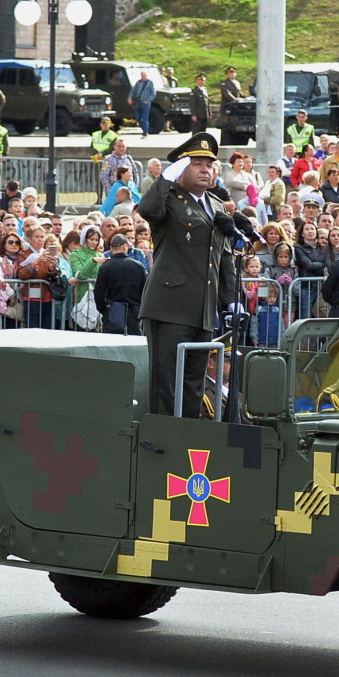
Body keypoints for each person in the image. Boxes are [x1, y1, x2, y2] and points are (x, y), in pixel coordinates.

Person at [137, 132, 234, 418]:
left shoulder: (216, 205)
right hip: (169, 308)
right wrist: (165, 178)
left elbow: (223, 257)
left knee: (194, 383)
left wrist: (230, 301)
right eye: (197, 164)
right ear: (181, 168)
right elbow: (147, 209)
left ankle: (191, 441)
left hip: (202, 310)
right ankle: (166, 443)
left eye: (209, 164)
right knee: (166, 384)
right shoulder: (168, 199)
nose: (206, 169)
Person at [94, 234, 145, 334]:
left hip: (112, 311)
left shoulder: (105, 267)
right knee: (134, 344)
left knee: (111, 345)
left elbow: (99, 293)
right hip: (133, 311)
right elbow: (144, 290)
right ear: (125, 246)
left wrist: (104, 310)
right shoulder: (138, 266)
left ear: (111, 247)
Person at [129, 70, 156, 138]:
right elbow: (133, 90)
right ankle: (144, 129)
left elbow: (153, 93)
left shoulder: (150, 83)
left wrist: (148, 100)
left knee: (144, 118)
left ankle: (145, 133)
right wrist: (130, 97)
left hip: (145, 103)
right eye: (142, 75)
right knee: (138, 118)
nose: (143, 77)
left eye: (144, 75)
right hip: (138, 102)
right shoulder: (138, 82)